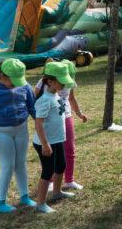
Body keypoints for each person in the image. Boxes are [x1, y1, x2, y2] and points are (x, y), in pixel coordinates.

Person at [0, 59, 37, 213]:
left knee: (21, 163)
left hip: (21, 129)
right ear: (2, 75)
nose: (17, 83)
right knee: (8, 165)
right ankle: (0, 202)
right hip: (1, 132)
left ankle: (24, 196)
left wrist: (42, 125)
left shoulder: (24, 86)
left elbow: (32, 107)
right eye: (13, 80)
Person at [34, 60, 87, 191]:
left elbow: (71, 98)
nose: (65, 83)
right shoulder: (45, 83)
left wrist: (79, 114)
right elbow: (34, 98)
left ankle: (69, 180)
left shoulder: (69, 80)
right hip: (50, 118)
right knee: (52, 153)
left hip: (65, 116)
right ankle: (50, 180)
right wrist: (37, 116)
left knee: (69, 149)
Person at [32, 62, 76, 213]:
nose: (64, 83)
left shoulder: (55, 95)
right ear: (50, 81)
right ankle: (40, 203)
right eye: (61, 81)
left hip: (57, 140)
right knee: (48, 171)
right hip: (45, 143)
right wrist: (45, 144)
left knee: (61, 166)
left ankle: (57, 193)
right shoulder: (44, 100)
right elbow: (38, 124)